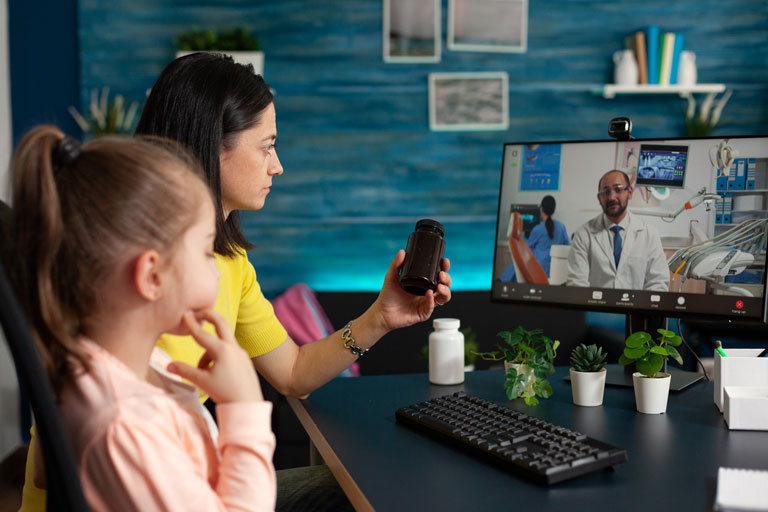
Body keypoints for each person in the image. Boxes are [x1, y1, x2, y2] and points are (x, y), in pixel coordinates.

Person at [19, 52, 453, 511]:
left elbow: (293, 373)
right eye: (266, 146)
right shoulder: (121, 293)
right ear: (212, 145)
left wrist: (381, 318)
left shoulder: (227, 265)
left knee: (361, 487)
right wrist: (243, 408)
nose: (278, 166)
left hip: (178, 481)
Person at [10, 126, 277, 510]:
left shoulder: (120, 365)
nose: (218, 271)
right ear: (152, 276)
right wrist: (244, 405)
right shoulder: (125, 426)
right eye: (206, 252)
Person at [566, 169, 669, 291]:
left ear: (629, 192)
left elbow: (658, 282)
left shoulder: (649, 234)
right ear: (599, 199)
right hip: (595, 308)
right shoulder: (583, 235)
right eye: (605, 192)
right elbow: (577, 284)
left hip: (636, 308)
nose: (612, 197)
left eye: (618, 189)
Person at [498, 196, 570, 282]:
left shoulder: (538, 229)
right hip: (554, 270)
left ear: (541, 209)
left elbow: (526, 246)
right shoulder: (561, 227)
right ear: (553, 210)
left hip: (538, 269)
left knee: (516, 264)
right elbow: (568, 246)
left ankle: (501, 280)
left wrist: (523, 237)